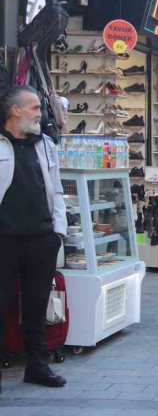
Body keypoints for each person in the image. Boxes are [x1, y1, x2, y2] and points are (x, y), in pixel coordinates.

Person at [0, 86, 68, 391]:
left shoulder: (46, 145)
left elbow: (56, 190)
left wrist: (58, 232)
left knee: (38, 304)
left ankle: (37, 366)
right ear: (15, 111)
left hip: (41, 239)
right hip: (4, 240)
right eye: (35, 109)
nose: (40, 114)